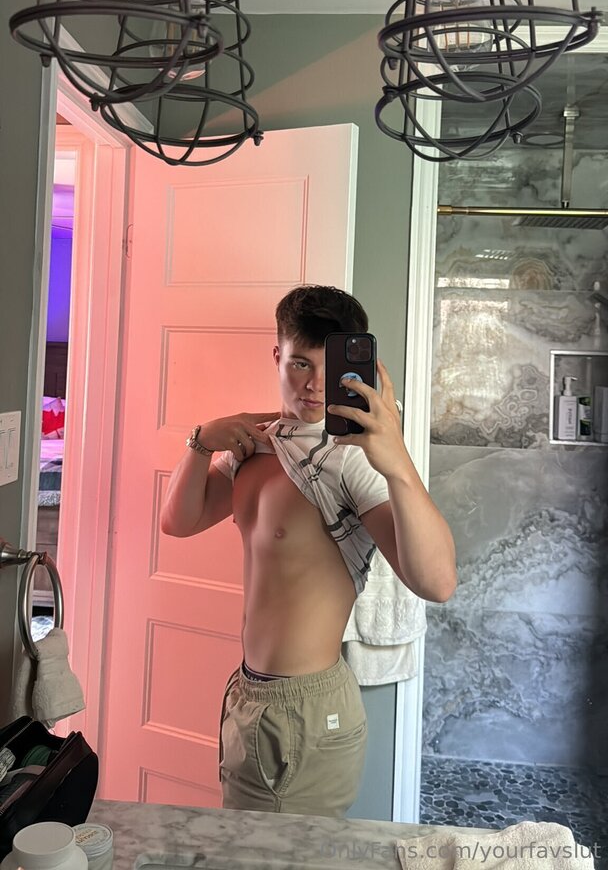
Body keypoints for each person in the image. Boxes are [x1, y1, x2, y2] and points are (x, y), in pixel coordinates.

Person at [161, 284, 456, 816]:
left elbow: (437, 583)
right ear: (277, 356)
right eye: (300, 363)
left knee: (283, 853)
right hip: (249, 694)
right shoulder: (259, 445)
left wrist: (396, 461)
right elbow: (178, 522)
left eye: (329, 368)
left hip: (309, 710)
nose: (314, 384)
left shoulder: (352, 460)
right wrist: (201, 441)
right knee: (244, 850)